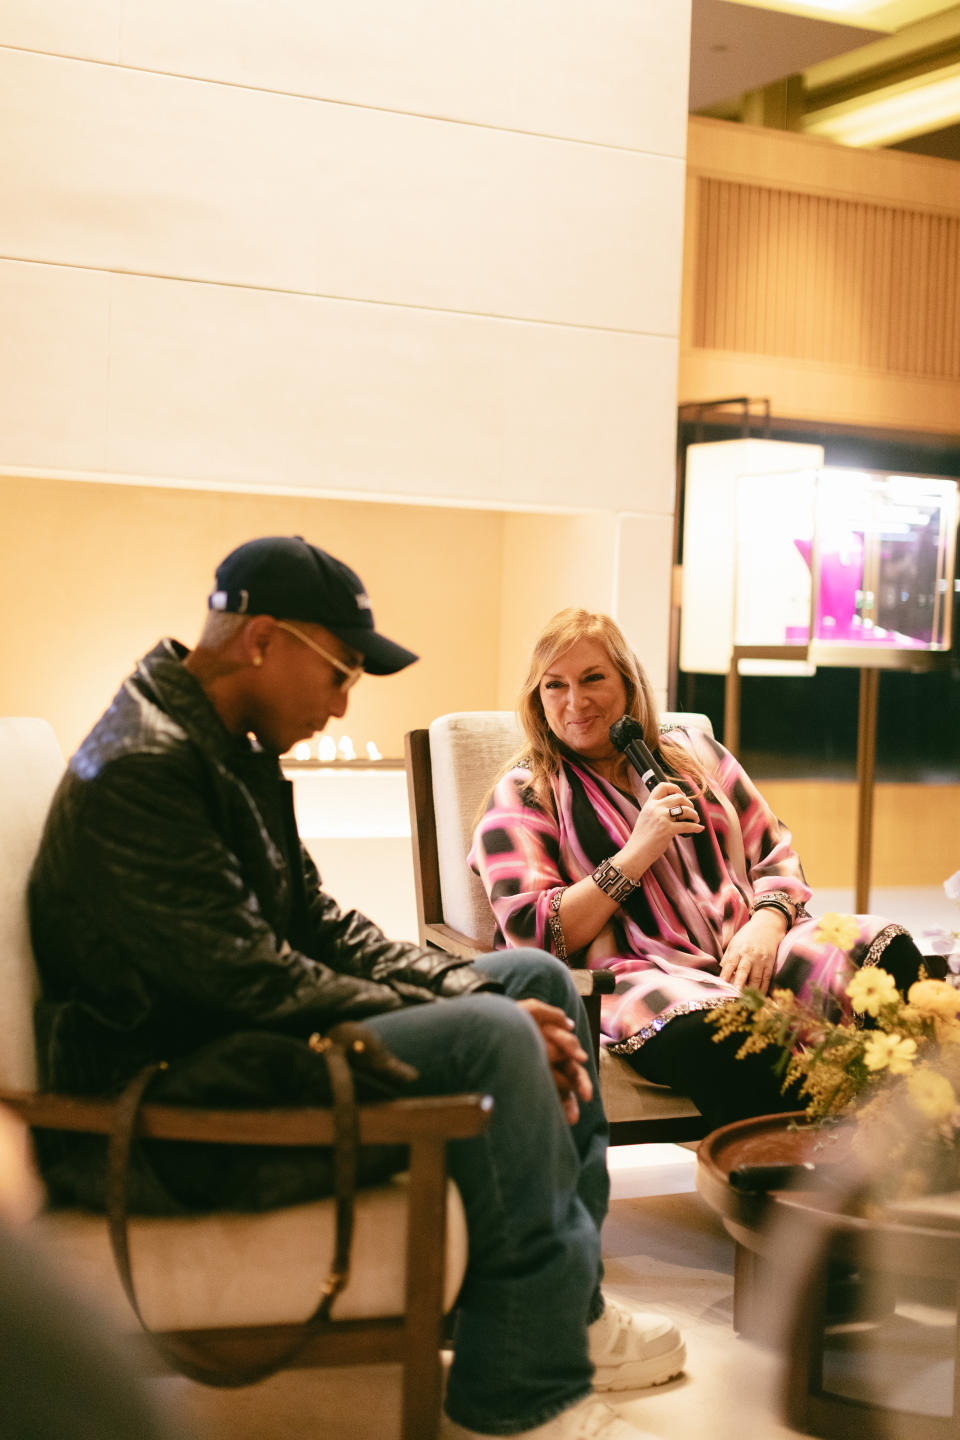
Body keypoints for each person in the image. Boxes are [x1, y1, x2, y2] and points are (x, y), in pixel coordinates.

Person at [29, 538, 684, 1440]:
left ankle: (566, 1309)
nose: (341, 705)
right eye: (339, 673)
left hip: (234, 1043)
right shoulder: (148, 766)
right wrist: (467, 1011)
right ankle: (523, 1395)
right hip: (170, 1092)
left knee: (533, 974)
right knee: (496, 1030)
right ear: (263, 639)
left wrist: (464, 982)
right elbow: (246, 978)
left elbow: (320, 925)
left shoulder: (221, 744)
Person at [470, 608, 937, 1131]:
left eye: (593, 678)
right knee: (732, 1030)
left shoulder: (693, 753)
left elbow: (773, 849)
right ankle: (793, 1187)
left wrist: (767, 923)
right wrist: (636, 852)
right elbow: (536, 934)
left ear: (628, 682)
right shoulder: (524, 792)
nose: (575, 702)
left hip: (752, 948)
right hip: (633, 976)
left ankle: (906, 1145)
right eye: (554, 686)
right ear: (538, 699)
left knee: (885, 948)